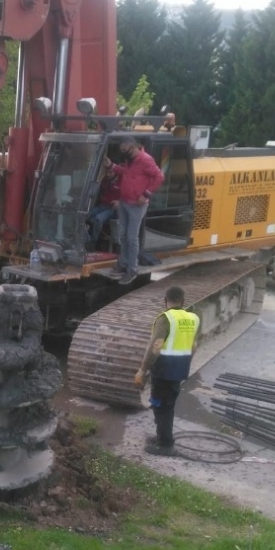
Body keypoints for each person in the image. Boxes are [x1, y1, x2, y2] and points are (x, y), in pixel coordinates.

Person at [134, 286, 200, 456]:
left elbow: (155, 348)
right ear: (183, 301)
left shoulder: (165, 319)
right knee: (164, 403)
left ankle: (165, 444)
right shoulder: (193, 318)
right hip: (179, 369)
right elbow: (194, 346)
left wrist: (142, 370)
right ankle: (161, 436)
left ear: (165, 301)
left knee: (161, 405)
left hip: (164, 369)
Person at [103, 135, 165, 284]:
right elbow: (126, 173)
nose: (122, 152)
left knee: (131, 237)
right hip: (124, 202)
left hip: (137, 205)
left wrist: (146, 194)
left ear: (132, 146)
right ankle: (123, 263)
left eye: (124, 149)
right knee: (123, 235)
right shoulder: (130, 160)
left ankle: (132, 269)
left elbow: (159, 176)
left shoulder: (145, 160)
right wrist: (111, 166)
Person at [86, 168, 121, 249]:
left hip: (112, 209)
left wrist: (120, 202)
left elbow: (127, 196)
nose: (108, 174)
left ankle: (93, 242)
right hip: (102, 206)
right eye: (106, 172)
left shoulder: (121, 182)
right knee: (86, 214)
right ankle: (86, 237)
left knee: (98, 219)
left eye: (110, 172)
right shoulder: (104, 180)